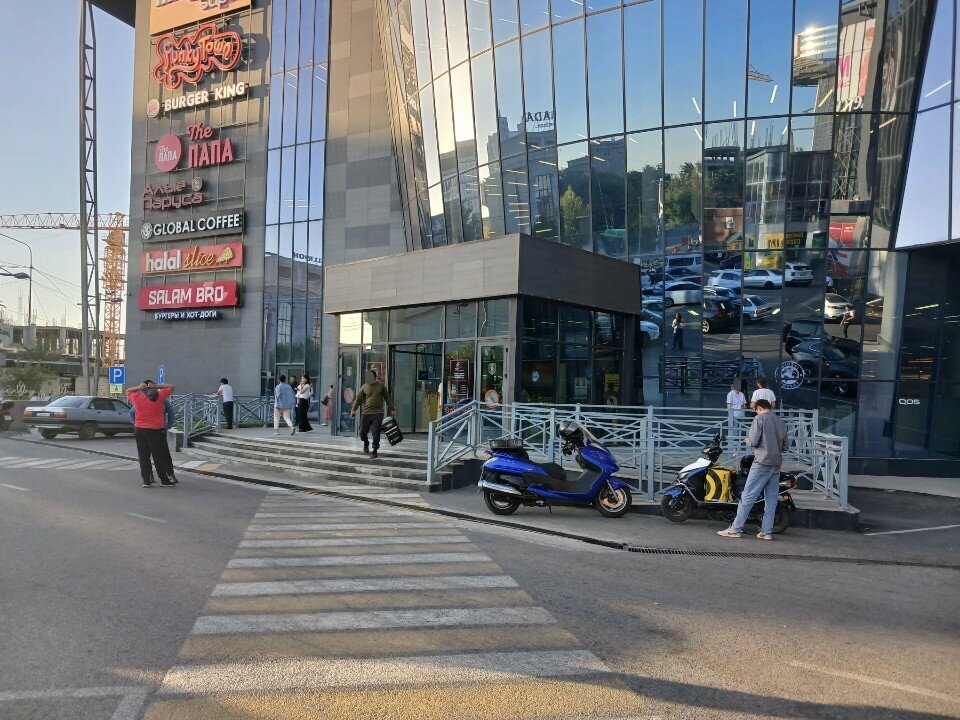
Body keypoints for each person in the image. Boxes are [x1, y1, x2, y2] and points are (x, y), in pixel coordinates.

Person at [718, 399, 788, 540]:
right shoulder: (780, 422)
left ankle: (735, 529)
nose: (756, 412)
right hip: (776, 463)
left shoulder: (759, 419)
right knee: (771, 499)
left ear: (760, 408)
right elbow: (785, 446)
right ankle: (766, 532)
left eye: (756, 409)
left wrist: (747, 440)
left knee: (748, 496)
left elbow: (754, 441)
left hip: (761, 462)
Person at [127, 380, 177, 488]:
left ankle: (146, 481)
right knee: (158, 456)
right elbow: (172, 386)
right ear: (154, 389)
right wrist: (156, 386)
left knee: (143, 456)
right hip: (156, 431)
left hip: (140, 430)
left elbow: (128, 391)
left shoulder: (137, 398)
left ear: (143, 390)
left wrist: (139, 387)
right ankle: (164, 480)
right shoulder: (160, 396)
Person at [350, 369, 396, 459]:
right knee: (362, 432)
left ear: (375, 377)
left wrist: (392, 409)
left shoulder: (381, 386)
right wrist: (353, 410)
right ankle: (366, 443)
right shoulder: (364, 386)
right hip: (366, 413)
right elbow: (358, 399)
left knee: (376, 432)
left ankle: (375, 450)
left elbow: (387, 398)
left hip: (378, 413)